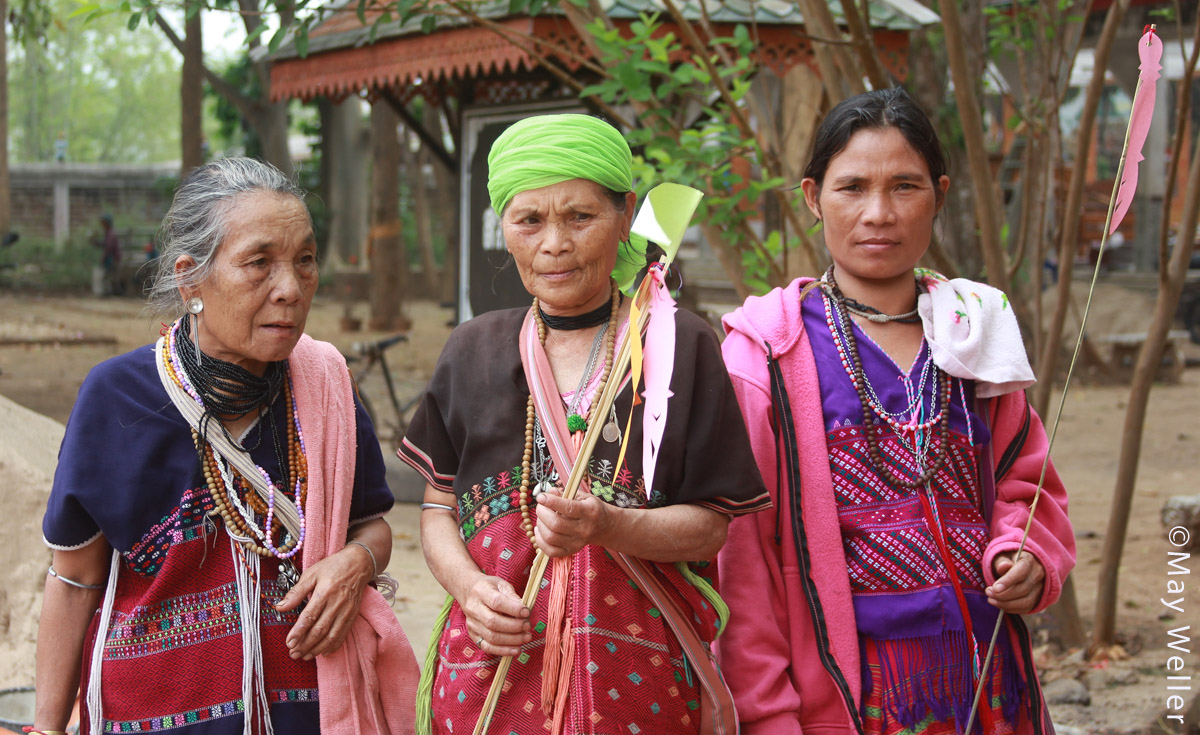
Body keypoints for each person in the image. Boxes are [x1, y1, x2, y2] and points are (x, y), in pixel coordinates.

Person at [716, 88, 1076, 735]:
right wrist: (768, 714)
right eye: (852, 187)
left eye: (904, 186)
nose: (878, 213)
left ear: (939, 194)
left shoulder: (975, 332)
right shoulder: (765, 356)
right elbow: (744, 563)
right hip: (848, 692)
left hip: (990, 679)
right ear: (811, 196)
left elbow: (1028, 479)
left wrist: (1023, 553)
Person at [398, 113, 770, 735]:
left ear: (625, 216)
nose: (554, 244)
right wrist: (469, 590)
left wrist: (610, 525)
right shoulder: (472, 351)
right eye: (529, 220)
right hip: (492, 678)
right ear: (505, 228)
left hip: (641, 687)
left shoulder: (680, 346)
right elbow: (437, 509)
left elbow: (710, 528)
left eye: (580, 217)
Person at [35, 157, 419, 735]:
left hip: (309, 715)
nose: (290, 288)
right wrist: (46, 727)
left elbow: (370, 526)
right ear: (191, 279)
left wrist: (355, 562)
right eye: (259, 263)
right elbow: (75, 579)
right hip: (149, 715)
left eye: (305, 260)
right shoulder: (117, 397)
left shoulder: (325, 387)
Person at [92, 213, 121, 296]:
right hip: (112, 259)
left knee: (106, 276)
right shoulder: (109, 232)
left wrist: (103, 258)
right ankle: (109, 292)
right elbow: (106, 244)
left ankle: (107, 293)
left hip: (113, 260)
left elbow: (109, 248)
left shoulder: (111, 233)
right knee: (108, 277)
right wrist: (96, 243)